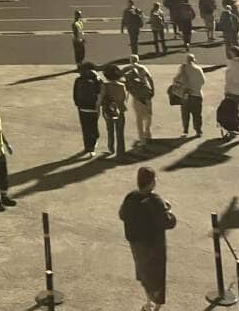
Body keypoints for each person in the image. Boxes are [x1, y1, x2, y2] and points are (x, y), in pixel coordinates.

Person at [119, 166, 176, 311]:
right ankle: (156, 306)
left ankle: (148, 303)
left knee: (144, 273)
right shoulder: (156, 201)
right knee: (157, 277)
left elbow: (122, 214)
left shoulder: (131, 197)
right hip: (154, 246)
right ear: (151, 183)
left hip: (136, 244)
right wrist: (168, 210)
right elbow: (169, 222)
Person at [98, 64, 127, 158]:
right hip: (119, 110)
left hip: (107, 110)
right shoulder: (121, 86)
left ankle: (111, 148)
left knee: (110, 130)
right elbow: (124, 99)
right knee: (120, 132)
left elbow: (101, 97)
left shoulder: (104, 85)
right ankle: (120, 152)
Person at [124, 55, 154, 145]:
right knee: (149, 114)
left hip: (136, 96)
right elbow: (150, 78)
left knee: (139, 118)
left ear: (130, 60)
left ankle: (142, 139)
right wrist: (152, 90)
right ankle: (147, 131)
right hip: (146, 93)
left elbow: (121, 79)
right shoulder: (142, 68)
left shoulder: (127, 69)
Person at [73, 63, 101, 157]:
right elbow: (100, 92)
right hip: (93, 108)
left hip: (82, 107)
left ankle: (87, 147)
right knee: (93, 128)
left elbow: (75, 94)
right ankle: (92, 147)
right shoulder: (96, 80)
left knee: (85, 129)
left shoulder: (78, 80)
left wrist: (78, 104)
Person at [175, 53, 205, 137]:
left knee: (185, 114)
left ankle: (185, 130)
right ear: (194, 60)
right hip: (197, 94)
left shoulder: (183, 69)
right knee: (197, 114)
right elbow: (203, 81)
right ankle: (198, 131)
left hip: (186, 95)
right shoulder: (198, 69)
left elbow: (176, 80)